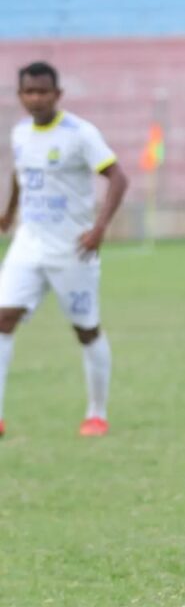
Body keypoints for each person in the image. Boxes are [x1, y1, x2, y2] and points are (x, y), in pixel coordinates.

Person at [0, 61, 129, 438]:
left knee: (86, 330)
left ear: (57, 94)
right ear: (20, 95)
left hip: (72, 249)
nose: (36, 98)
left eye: (43, 91)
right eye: (29, 92)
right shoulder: (20, 133)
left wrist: (99, 229)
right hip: (28, 244)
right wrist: (9, 214)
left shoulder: (80, 134)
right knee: (3, 319)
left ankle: (97, 414)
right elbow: (21, 174)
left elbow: (118, 177)